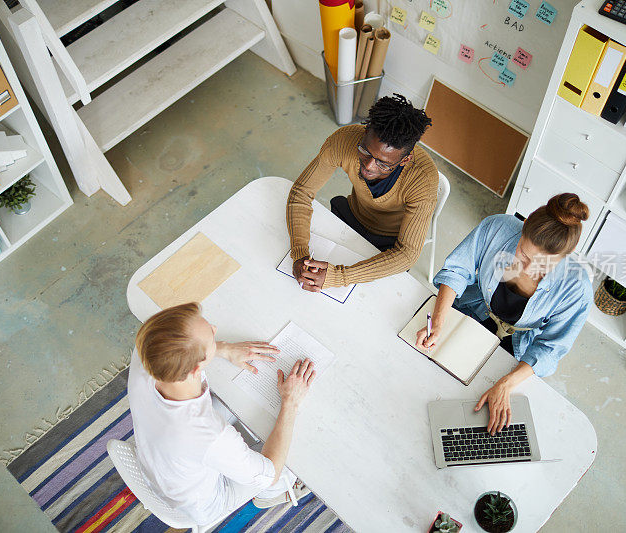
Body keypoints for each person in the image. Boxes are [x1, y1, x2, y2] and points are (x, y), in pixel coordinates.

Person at [416, 194, 593, 435]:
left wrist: (507, 383)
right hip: (471, 312)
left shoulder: (577, 287)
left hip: (516, 348)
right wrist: (438, 320)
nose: (528, 269)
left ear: (563, 258)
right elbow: (457, 270)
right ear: (523, 229)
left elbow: (550, 348)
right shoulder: (498, 227)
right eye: (524, 254)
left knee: (474, 412)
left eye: (543, 265)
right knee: (422, 375)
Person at [127, 303, 316, 524]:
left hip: (162, 464)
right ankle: (268, 497)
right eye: (210, 335)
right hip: (207, 502)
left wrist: (222, 348)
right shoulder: (208, 434)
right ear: (196, 370)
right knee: (297, 456)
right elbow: (269, 474)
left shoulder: (147, 351)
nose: (215, 328)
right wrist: (290, 402)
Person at [286, 93, 438, 292]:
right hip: (352, 216)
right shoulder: (344, 140)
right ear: (365, 132)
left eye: (383, 164)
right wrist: (300, 254)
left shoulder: (423, 180)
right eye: (365, 151)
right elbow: (301, 192)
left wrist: (340, 277)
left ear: (405, 160)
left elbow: (407, 253)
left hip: (389, 242)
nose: (369, 166)